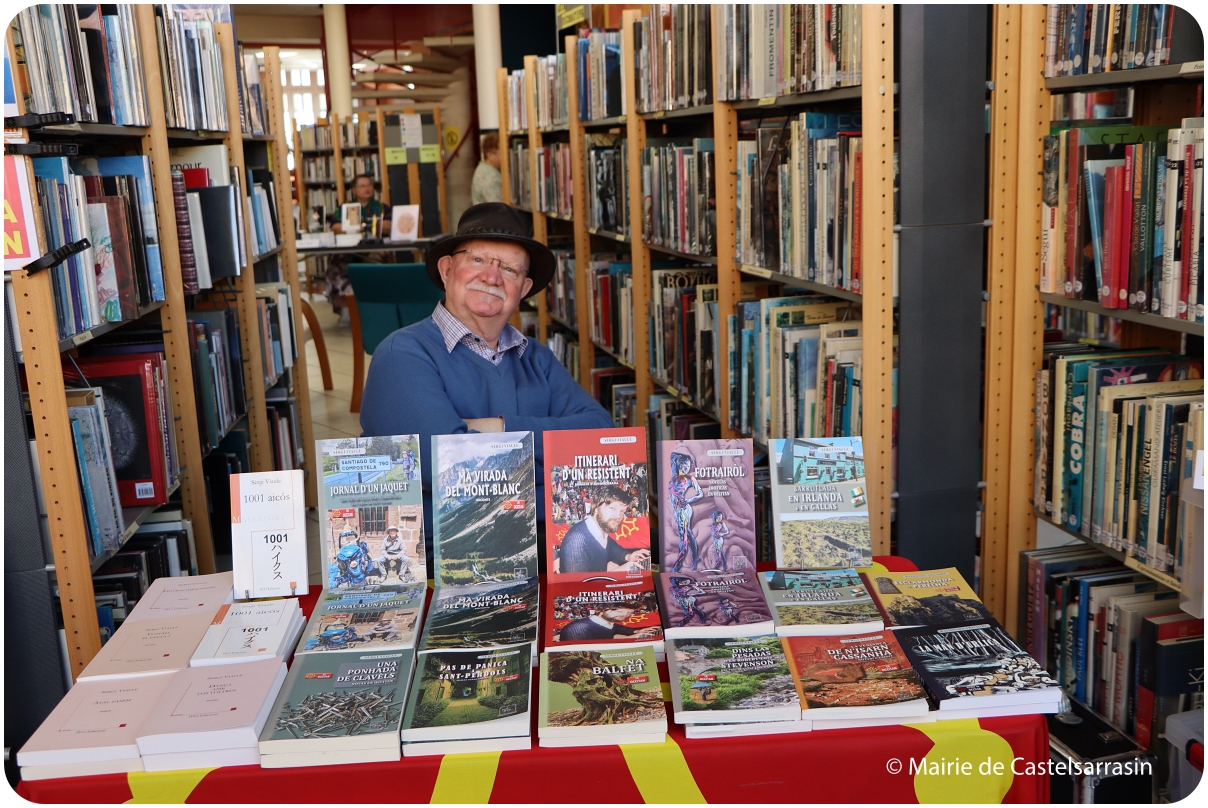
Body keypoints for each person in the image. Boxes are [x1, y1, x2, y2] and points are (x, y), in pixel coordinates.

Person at [359, 203, 613, 574]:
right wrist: (551, 471)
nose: (492, 277)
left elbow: (602, 439)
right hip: (444, 559)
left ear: (523, 288)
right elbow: (441, 469)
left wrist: (492, 428)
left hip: (549, 549)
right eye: (478, 259)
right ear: (447, 270)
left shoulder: (536, 358)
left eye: (509, 269)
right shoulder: (402, 354)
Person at [325, 174, 390, 325]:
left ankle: (374, 309)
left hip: (374, 247)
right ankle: (347, 309)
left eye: (369, 185)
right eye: (362, 186)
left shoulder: (381, 207)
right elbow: (334, 227)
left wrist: (364, 226)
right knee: (335, 264)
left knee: (380, 259)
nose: (367, 188)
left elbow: (389, 225)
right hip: (349, 248)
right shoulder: (345, 208)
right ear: (354, 190)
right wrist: (357, 226)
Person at [558, 485, 650, 573]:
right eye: (613, 508)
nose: (618, 516)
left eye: (622, 511)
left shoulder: (598, 529)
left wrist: (628, 556)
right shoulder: (576, 543)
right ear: (596, 508)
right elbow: (578, 587)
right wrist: (619, 571)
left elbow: (611, 547)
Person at [556, 604, 660, 642]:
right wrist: (629, 638)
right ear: (601, 610)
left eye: (629, 613)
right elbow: (585, 655)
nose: (625, 615)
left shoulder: (608, 622)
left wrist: (637, 631)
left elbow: (616, 629)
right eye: (618, 611)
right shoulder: (580, 629)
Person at [471, 133, 503, 205]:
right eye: (501, 153)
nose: (506, 156)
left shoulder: (481, 168)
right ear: (490, 155)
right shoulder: (491, 177)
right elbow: (498, 208)